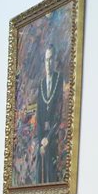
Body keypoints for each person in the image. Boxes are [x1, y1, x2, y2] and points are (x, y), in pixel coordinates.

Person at [35, 43, 64, 184]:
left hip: (54, 135)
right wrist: (41, 140)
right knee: (38, 161)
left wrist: (48, 138)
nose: (48, 63)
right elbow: (39, 116)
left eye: (51, 59)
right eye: (46, 60)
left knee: (51, 165)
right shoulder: (41, 85)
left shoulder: (59, 80)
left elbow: (59, 113)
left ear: (55, 60)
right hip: (42, 137)